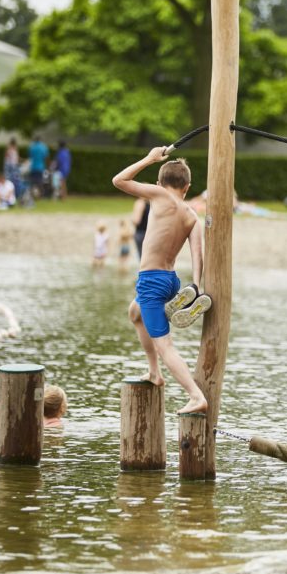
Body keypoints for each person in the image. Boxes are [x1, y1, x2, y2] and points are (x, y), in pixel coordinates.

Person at [112, 148, 212, 414]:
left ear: (158, 183)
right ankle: (154, 372)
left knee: (164, 344)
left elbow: (119, 180)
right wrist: (197, 285)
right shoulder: (191, 215)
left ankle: (195, 395)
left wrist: (149, 159)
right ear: (188, 187)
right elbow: (197, 254)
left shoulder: (159, 195)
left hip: (151, 280)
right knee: (135, 313)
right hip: (172, 280)